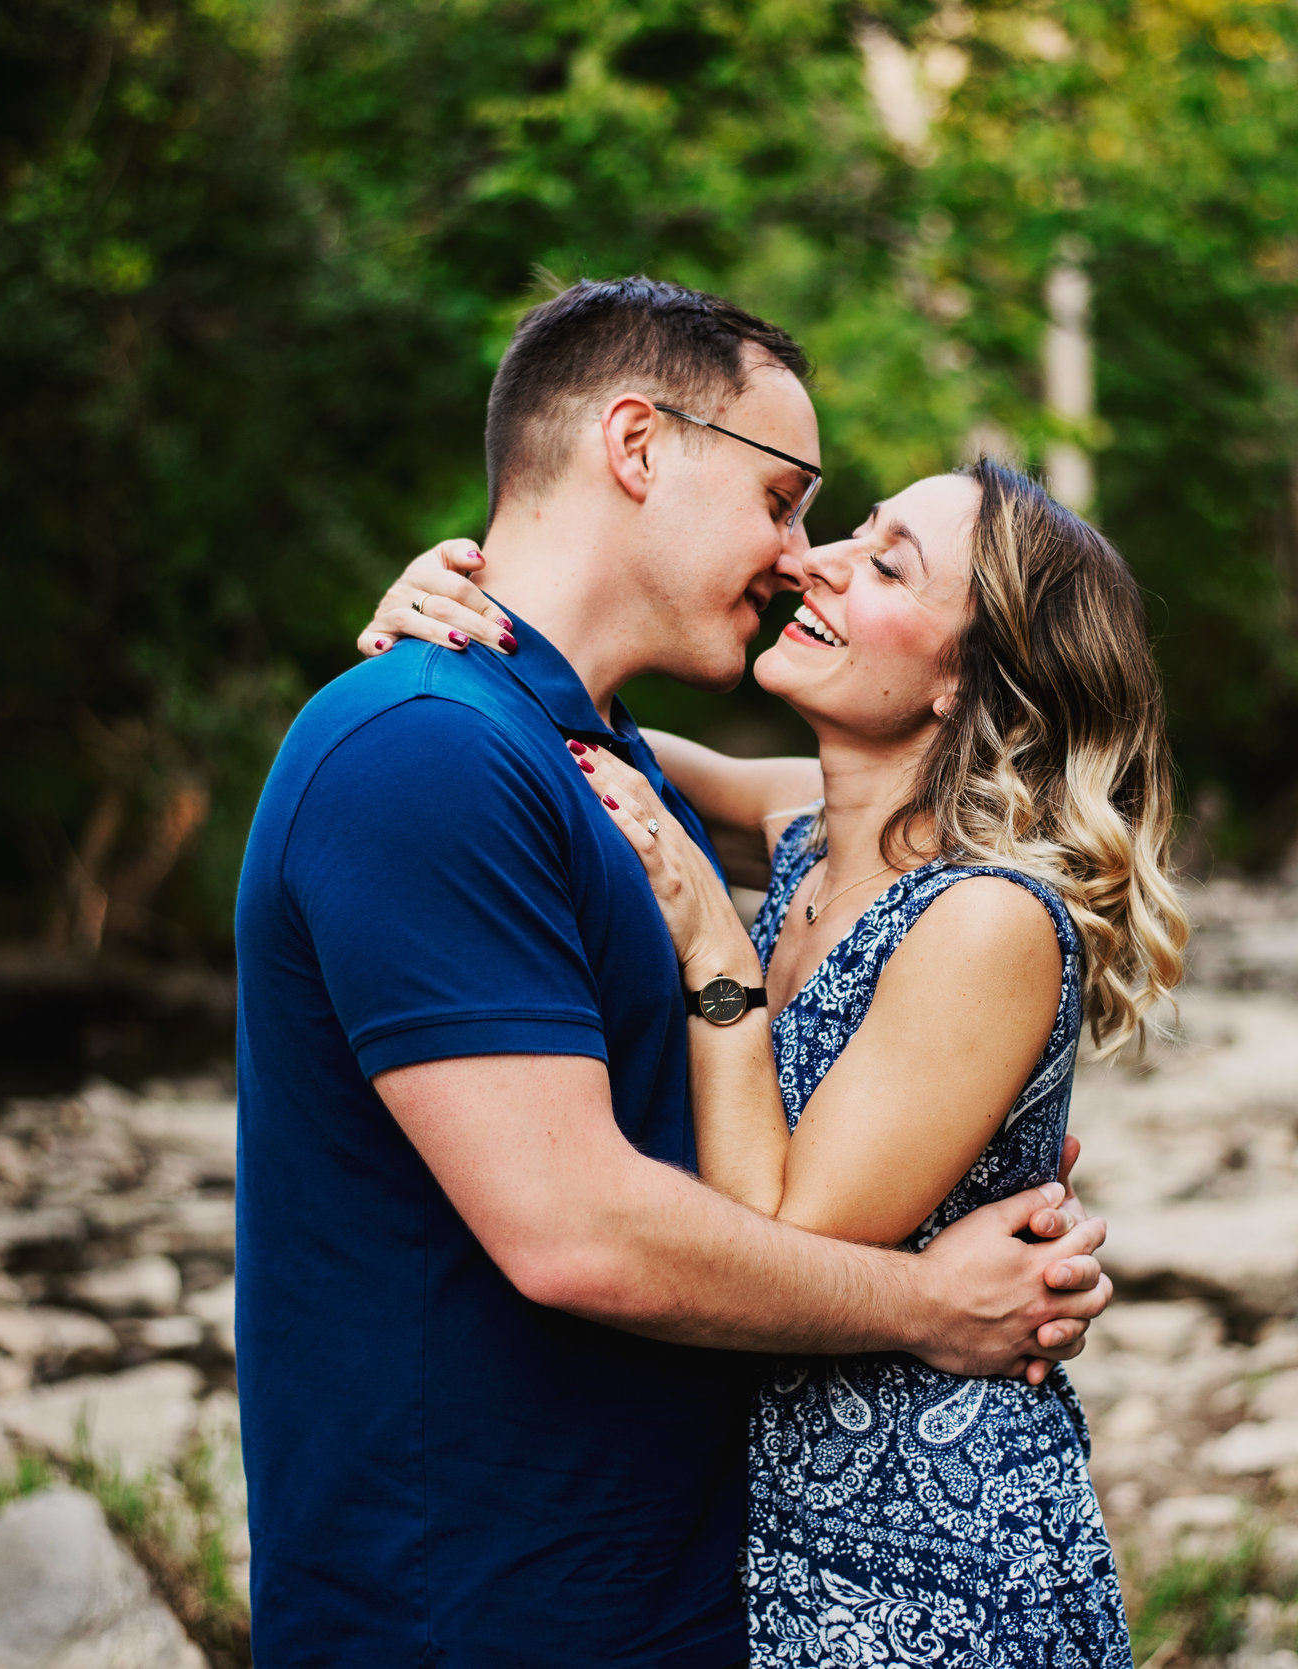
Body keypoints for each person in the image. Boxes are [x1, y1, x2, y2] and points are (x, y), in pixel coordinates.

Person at [232, 277, 1116, 1669]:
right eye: (785, 502)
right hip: (472, 1611)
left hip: (688, 1588)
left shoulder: (605, 761)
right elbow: (576, 1229)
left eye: (859, 547)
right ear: (637, 447)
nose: (800, 555)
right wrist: (932, 1305)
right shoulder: (423, 750)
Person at [370, 459, 1190, 1665]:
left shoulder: (987, 921)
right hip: (762, 1536)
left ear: (974, 682)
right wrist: (445, 623)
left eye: (886, 563)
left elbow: (786, 1227)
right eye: (851, 531)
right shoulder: (808, 826)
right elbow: (570, 742)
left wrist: (717, 954)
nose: (817, 560)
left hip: (929, 1563)